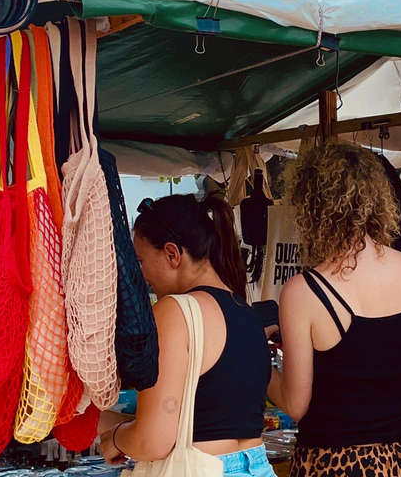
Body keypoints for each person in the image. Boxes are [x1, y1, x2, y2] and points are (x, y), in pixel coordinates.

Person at [267, 143, 401, 477]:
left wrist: (257, 358)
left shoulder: (304, 291)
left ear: (310, 209)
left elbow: (296, 404)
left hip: (334, 463)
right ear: (376, 198)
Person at [99, 193, 275, 477]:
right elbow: (191, 418)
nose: (140, 273)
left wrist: (115, 438)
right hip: (257, 466)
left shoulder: (174, 311)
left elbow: (153, 441)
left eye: (141, 260)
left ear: (172, 254)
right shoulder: (246, 312)